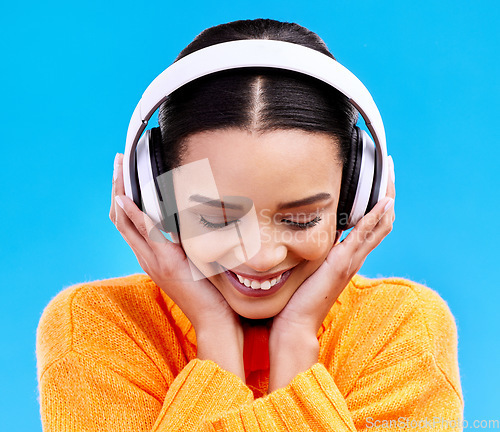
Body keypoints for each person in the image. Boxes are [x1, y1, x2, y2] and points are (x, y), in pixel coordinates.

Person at [36, 18, 463, 431]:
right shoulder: (96, 326)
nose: (260, 258)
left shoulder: (403, 328)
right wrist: (215, 336)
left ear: (355, 196)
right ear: (155, 197)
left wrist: (296, 342)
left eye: (300, 219)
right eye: (216, 218)